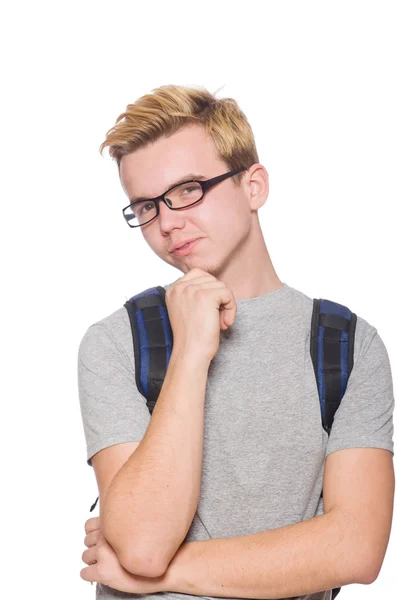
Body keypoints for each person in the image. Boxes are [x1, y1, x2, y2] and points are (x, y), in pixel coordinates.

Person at [78, 84, 395, 600]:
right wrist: (190, 352)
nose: (169, 221)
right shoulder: (116, 342)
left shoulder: (347, 345)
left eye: (188, 190)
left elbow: (356, 548)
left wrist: (169, 571)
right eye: (147, 206)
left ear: (254, 187)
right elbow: (141, 543)